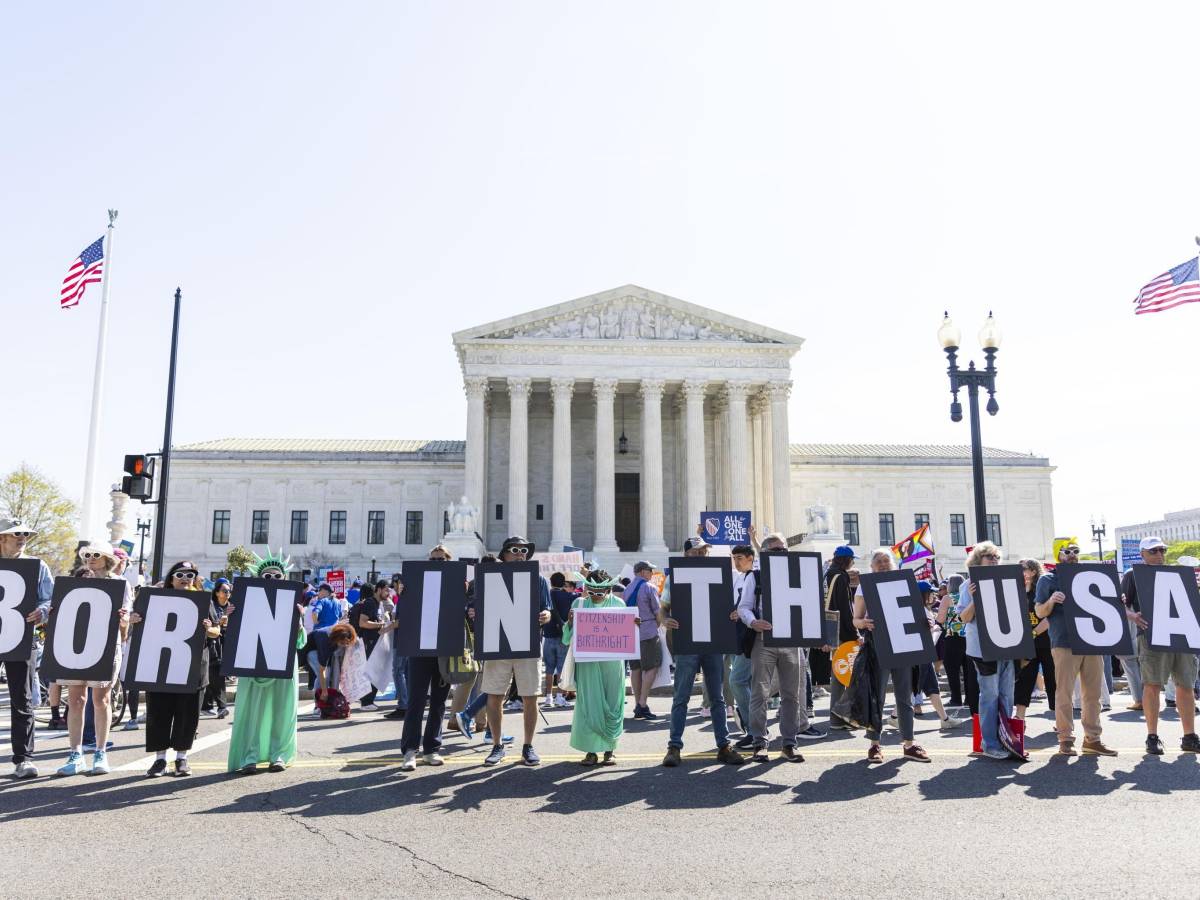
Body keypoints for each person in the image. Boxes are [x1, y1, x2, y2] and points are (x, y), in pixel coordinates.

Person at [662, 536, 746, 767]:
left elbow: (735, 603)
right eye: (696, 552)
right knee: (681, 696)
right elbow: (663, 608)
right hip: (688, 642)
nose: (701, 555)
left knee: (717, 698)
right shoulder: (675, 576)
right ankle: (674, 746)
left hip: (713, 641)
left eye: (703, 552)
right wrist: (665, 620)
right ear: (686, 554)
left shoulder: (722, 574)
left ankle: (724, 745)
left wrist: (735, 613)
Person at [742, 535, 824, 763]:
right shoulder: (755, 577)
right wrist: (752, 622)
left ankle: (789, 742)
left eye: (784, 550)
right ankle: (759, 741)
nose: (781, 554)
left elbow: (810, 604)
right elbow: (744, 607)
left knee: (792, 694)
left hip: (791, 641)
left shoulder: (797, 574)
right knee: (759, 693)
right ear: (765, 552)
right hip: (764, 639)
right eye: (776, 550)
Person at [55, 543, 131, 777]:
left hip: (106, 647)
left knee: (102, 700)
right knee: (76, 699)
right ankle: (75, 754)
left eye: (95, 555)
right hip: (76, 647)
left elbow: (125, 628)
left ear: (108, 559)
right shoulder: (77, 583)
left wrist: (123, 619)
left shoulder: (120, 584)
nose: (90, 558)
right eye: (87, 555)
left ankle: (100, 752)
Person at [228, 550, 306, 772]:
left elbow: (300, 642)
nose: (272, 580)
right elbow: (236, 636)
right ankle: (249, 756)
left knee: (282, 710)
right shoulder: (247, 602)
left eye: (277, 576)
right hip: (254, 662)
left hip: (283, 661)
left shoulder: (293, 604)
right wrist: (232, 615)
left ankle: (278, 754)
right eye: (267, 576)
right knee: (253, 711)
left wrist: (298, 621)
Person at [1121, 536, 1200, 755]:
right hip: (1151, 636)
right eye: (1153, 551)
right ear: (1142, 554)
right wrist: (1133, 616)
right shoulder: (1132, 575)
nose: (1159, 555)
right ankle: (1152, 736)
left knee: (1185, 685)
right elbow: (1120, 605)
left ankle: (1190, 736)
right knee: (1152, 685)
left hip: (1181, 635)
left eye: (1162, 550)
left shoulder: (1177, 574)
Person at [135, 560, 213, 776]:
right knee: (159, 711)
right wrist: (135, 618)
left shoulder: (203, 600)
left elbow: (216, 630)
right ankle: (160, 759)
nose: (185, 579)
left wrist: (210, 627)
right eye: (180, 574)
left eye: (190, 575)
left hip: (193, 666)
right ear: (171, 578)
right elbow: (138, 622)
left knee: (187, 714)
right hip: (161, 665)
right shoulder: (157, 598)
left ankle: (181, 758)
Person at [852, 549, 930, 763]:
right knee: (876, 695)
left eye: (887, 561)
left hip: (902, 644)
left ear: (894, 564)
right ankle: (874, 744)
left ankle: (909, 743)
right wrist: (863, 624)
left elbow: (916, 613)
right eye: (879, 562)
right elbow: (855, 619)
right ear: (872, 567)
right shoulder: (864, 586)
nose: (883, 565)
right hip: (878, 645)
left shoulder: (904, 582)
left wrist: (926, 623)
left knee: (905, 697)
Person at [482, 536, 552, 766]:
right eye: (515, 550)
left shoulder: (538, 579)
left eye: (524, 550)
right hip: (498, 643)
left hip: (528, 643)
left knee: (530, 696)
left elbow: (547, 608)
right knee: (495, 695)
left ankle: (528, 745)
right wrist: (473, 613)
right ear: (504, 554)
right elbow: (477, 605)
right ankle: (496, 745)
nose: (521, 553)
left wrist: (546, 615)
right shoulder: (491, 577)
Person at [0, 518, 53, 779]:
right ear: (2, 538)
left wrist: (42, 611)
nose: (22, 538)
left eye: (25, 534)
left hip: (22, 635)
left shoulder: (37, 565)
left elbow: (50, 597)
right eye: (16, 534)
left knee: (22, 699)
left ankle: (24, 759)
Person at [957, 541, 1019, 761]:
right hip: (983, 649)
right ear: (977, 560)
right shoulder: (968, 585)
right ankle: (989, 743)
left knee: (1007, 695)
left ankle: (1005, 738)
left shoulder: (1005, 582)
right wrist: (976, 598)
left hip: (1006, 645)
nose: (994, 560)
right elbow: (963, 617)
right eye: (989, 556)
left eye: (996, 557)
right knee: (990, 695)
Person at [562, 570, 628, 765]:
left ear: (609, 590)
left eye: (601, 593)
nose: (596, 597)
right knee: (588, 706)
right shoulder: (579, 604)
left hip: (612, 664)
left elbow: (627, 637)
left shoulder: (619, 604)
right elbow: (567, 638)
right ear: (587, 590)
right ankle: (591, 751)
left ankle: (610, 749)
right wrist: (571, 622)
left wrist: (634, 625)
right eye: (592, 593)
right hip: (588, 663)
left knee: (613, 704)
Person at [1014, 558, 1055, 722]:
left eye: (1023, 569)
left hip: (1047, 642)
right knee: (1024, 681)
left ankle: (1060, 721)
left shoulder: (1042, 589)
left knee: (1053, 681)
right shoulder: (1017, 591)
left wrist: (1033, 634)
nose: (1020, 572)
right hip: (1026, 645)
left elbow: (1050, 618)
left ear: (1033, 571)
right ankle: (1019, 719)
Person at [623, 561, 663, 719]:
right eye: (649, 570)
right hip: (648, 631)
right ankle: (642, 703)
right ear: (641, 571)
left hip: (631, 633)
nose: (652, 573)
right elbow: (658, 612)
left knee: (635, 669)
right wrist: (658, 625)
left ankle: (637, 703)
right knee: (652, 666)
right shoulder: (649, 587)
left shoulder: (627, 588)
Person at [824, 545, 858, 730]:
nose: (853, 563)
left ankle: (836, 718)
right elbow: (845, 608)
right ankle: (841, 713)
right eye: (852, 559)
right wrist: (854, 633)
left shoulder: (827, 574)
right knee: (853, 673)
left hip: (830, 630)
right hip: (843, 632)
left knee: (837, 674)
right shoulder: (841, 576)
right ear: (846, 560)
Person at [542, 572, 575, 710]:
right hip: (563, 636)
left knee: (549, 668)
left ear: (551, 581)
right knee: (562, 667)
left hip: (548, 635)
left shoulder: (546, 595)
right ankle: (560, 697)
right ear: (563, 583)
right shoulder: (569, 597)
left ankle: (548, 696)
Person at [201, 578, 233, 719]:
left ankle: (206, 706)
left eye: (229, 591)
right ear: (217, 593)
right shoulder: (211, 606)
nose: (227, 593)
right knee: (216, 674)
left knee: (212, 676)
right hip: (214, 645)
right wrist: (221, 622)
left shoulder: (232, 607)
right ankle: (222, 707)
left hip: (227, 645)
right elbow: (212, 627)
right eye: (224, 591)